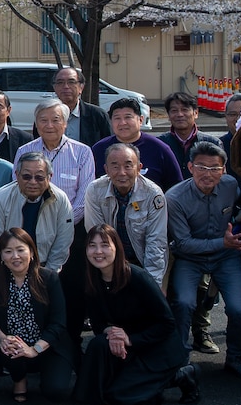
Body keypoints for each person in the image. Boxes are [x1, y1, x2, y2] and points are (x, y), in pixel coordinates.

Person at [75, 224, 195, 405]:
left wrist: (129, 339)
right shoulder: (92, 279)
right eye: (92, 245)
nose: (98, 251)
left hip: (156, 346)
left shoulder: (137, 277)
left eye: (105, 245)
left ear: (117, 248)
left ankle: (181, 375)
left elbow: (167, 323)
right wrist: (114, 333)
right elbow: (98, 324)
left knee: (121, 397)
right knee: (89, 388)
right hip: (126, 342)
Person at [166, 139, 241, 378]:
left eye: (215, 168)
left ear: (224, 169)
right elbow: (182, 243)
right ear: (190, 167)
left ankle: (237, 357)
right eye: (202, 167)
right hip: (189, 258)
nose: (208, 173)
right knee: (184, 304)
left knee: (239, 309)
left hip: (226, 257)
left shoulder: (230, 186)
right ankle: (179, 360)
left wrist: (229, 242)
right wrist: (223, 242)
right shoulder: (174, 198)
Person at [0, 227, 74, 403]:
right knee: (7, 344)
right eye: (8, 251)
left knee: (56, 392)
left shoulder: (48, 278)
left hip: (47, 347)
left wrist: (35, 349)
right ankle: (19, 379)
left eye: (20, 250)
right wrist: (2, 338)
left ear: (31, 252)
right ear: (1, 256)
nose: (15, 256)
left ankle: (44, 374)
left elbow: (58, 323)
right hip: (12, 347)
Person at [83, 143, 170, 279]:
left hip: (142, 262)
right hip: (108, 262)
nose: (122, 172)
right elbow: (97, 237)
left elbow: (156, 242)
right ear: (106, 169)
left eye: (128, 166)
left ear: (139, 168)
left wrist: (152, 283)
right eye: (115, 166)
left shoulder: (153, 194)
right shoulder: (94, 190)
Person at [0, 153, 75, 272]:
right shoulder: (1, 197)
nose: (33, 182)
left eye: (39, 177)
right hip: (6, 268)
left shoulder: (60, 199)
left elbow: (62, 243)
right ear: (16, 175)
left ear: (49, 177)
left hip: (45, 268)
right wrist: (0, 275)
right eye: (26, 176)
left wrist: (49, 274)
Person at [91, 97, 185, 191]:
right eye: (117, 118)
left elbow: (177, 189)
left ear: (140, 120)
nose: (122, 123)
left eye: (128, 117)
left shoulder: (160, 149)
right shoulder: (98, 149)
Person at [16, 99, 96, 207]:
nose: (49, 125)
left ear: (65, 123)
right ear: (36, 124)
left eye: (55, 120)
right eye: (43, 120)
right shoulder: (24, 151)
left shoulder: (82, 152)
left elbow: (85, 196)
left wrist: (66, 221)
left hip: (71, 220)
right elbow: (18, 189)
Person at [42, 66, 111, 146]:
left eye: (71, 82)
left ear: (81, 87)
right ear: (54, 87)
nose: (66, 86)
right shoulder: (44, 115)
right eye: (60, 82)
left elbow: (108, 146)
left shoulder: (97, 115)